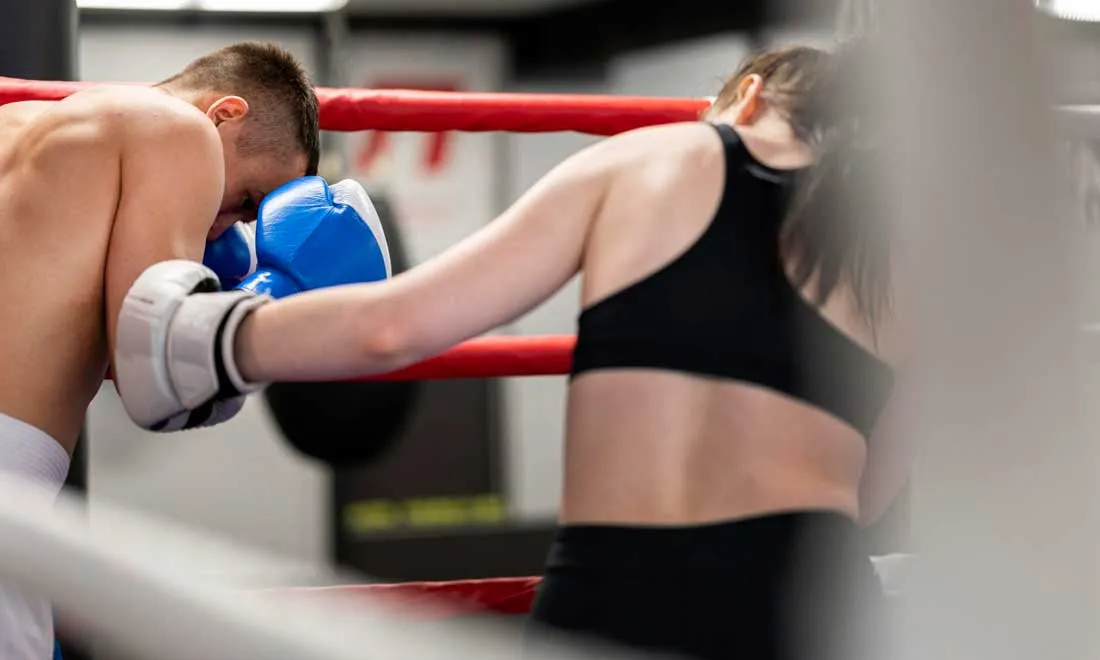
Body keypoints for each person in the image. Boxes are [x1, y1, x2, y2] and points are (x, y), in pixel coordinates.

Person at [114, 37, 907, 660]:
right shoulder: (912, 258)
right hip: (818, 606)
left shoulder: (659, 156)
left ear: (749, 97)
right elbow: (873, 500)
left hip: (617, 591)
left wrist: (205, 335)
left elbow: (394, 327)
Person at [0, 41, 392, 660]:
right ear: (224, 114)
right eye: (247, 201)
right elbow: (155, 372)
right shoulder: (180, 132)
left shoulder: (22, 124)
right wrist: (269, 299)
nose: (221, 227)